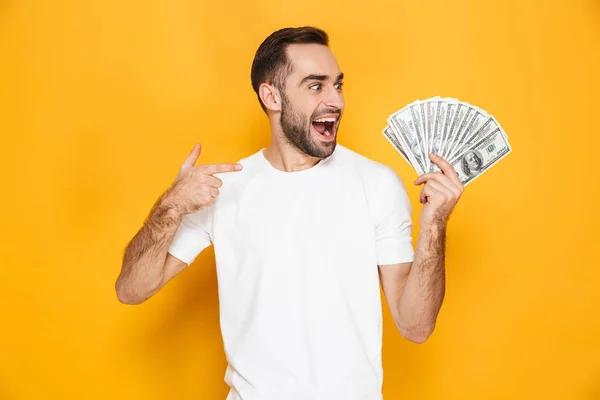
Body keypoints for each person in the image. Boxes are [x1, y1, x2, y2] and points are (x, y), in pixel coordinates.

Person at [115, 26, 464, 400]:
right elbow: (131, 290)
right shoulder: (224, 189)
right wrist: (172, 205)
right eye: (316, 86)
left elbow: (415, 326)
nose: (336, 100)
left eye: (338, 85)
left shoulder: (377, 184)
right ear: (271, 96)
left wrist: (434, 224)